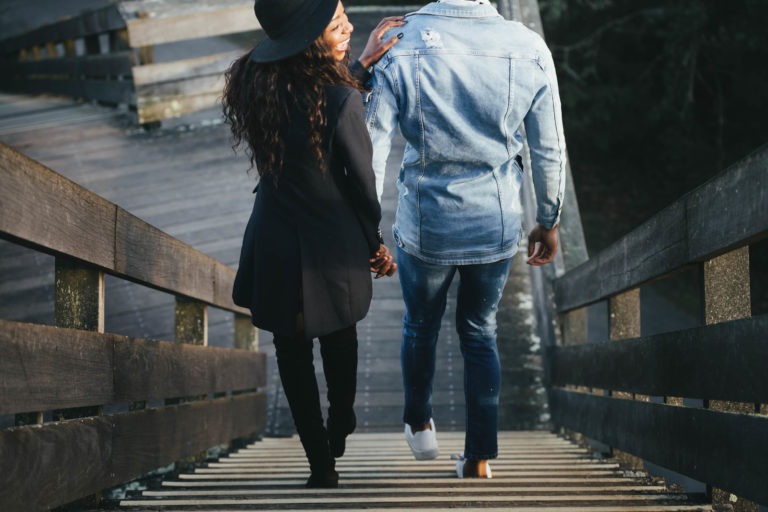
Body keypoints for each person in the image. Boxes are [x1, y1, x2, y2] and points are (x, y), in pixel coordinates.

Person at [364, 0, 567, 478]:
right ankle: (478, 457)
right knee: (480, 332)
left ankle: (419, 425)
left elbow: (373, 147)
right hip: (493, 222)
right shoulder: (528, 47)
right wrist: (549, 217)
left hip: (426, 223)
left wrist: (368, 230)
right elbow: (548, 146)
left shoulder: (400, 42)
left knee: (420, 326)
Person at [223, 0, 401, 488]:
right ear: (306, 39)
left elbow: (309, 103)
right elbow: (363, 188)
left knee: (291, 350)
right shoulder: (340, 100)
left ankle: (320, 466)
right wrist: (376, 244)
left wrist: (358, 65)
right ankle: (340, 419)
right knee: (340, 338)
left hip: (275, 237)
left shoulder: (251, 81)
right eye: (336, 24)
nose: (349, 28)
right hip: (332, 246)